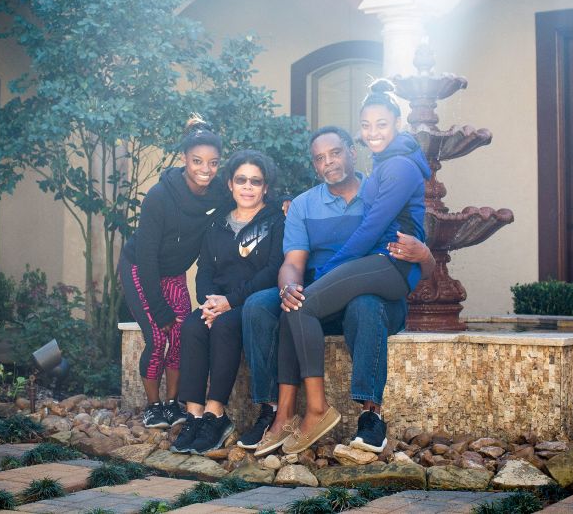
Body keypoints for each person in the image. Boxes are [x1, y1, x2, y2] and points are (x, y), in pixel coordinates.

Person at [237, 124, 432, 456]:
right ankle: (274, 411)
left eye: (335, 152)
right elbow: (292, 262)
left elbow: (416, 264)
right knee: (261, 304)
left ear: (352, 152)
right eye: (319, 158)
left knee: (365, 304)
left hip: (372, 298)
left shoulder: (382, 191)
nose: (328, 162)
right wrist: (289, 287)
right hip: (319, 295)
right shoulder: (303, 205)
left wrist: (425, 255)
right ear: (315, 165)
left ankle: (371, 417)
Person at [119, 117, 231, 429]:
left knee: (180, 336)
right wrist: (158, 307)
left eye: (212, 163)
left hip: (174, 273)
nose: (205, 169)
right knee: (157, 336)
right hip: (141, 268)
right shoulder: (159, 195)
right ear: (184, 159)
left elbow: (247, 189)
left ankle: (173, 404)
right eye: (197, 161)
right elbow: (147, 256)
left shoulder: (217, 192)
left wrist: (284, 200)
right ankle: (153, 406)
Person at [170, 150, 285, 454]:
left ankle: (216, 413)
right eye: (241, 180)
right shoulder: (217, 223)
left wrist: (230, 303)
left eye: (255, 181)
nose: (248, 187)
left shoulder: (276, 221)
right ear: (231, 184)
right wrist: (208, 303)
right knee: (193, 326)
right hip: (217, 302)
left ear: (265, 187)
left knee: (224, 327)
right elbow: (205, 269)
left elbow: (272, 270)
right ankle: (194, 416)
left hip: (249, 302)